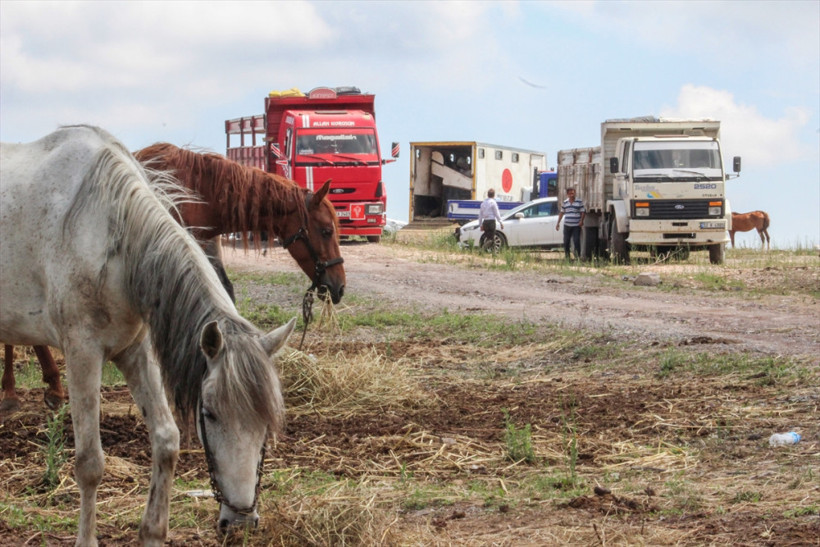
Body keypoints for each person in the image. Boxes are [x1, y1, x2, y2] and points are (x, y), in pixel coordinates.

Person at [556, 187, 586, 260]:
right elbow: (562, 212)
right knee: (566, 241)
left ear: (575, 193)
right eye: (569, 194)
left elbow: (583, 212)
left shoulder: (579, 202)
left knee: (576, 241)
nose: (571, 195)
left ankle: (577, 257)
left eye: (572, 193)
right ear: (567, 194)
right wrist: (558, 223)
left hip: (576, 225)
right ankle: (567, 257)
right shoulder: (565, 202)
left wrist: (581, 220)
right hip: (567, 225)